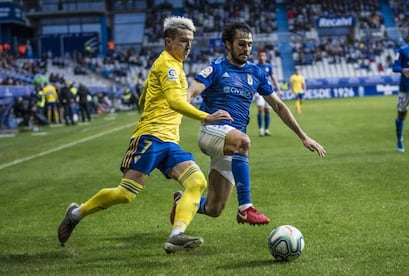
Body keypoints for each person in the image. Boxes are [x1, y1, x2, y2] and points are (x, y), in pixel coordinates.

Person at [57, 16, 232, 254]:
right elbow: (173, 101)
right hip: (150, 138)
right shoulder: (168, 65)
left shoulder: (170, 64)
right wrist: (206, 116)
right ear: (169, 42)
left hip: (169, 141)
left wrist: (150, 102)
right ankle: (76, 214)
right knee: (126, 194)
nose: (188, 46)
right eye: (183, 41)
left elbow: (143, 98)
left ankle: (176, 235)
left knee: (197, 181)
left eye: (190, 41)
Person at [170, 22, 325, 226]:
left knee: (214, 208)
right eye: (241, 44)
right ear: (228, 44)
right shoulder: (216, 68)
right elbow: (191, 92)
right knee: (243, 141)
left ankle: (183, 201)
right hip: (211, 131)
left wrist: (304, 136)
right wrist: (190, 113)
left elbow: (278, 106)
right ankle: (246, 209)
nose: (247, 49)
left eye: (249, 44)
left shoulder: (257, 73)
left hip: (232, 144)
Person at [392, 26, 409, 152]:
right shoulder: (403, 51)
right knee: (402, 115)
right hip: (405, 89)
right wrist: (402, 69)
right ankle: (399, 139)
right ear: (408, 36)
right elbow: (395, 67)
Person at [254, 50, 282, 136]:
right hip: (258, 92)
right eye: (260, 56)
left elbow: (273, 78)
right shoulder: (255, 67)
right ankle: (260, 129)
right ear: (258, 57)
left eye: (263, 56)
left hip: (268, 91)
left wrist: (279, 90)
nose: (262, 57)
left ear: (265, 57)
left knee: (267, 110)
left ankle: (266, 129)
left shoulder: (268, 66)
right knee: (260, 109)